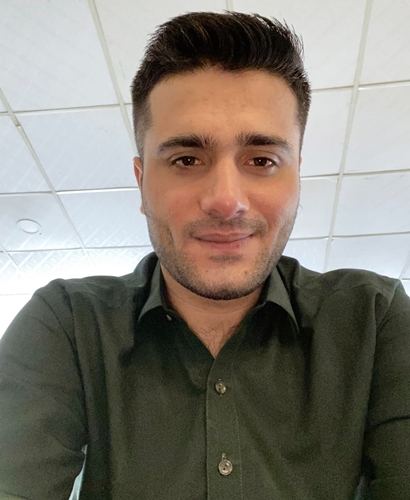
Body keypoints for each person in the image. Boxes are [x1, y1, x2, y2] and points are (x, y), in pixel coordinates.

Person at [0, 11, 409, 500]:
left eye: (262, 160)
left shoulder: (376, 319)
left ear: (297, 176)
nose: (225, 200)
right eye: (186, 159)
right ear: (141, 182)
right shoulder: (65, 325)